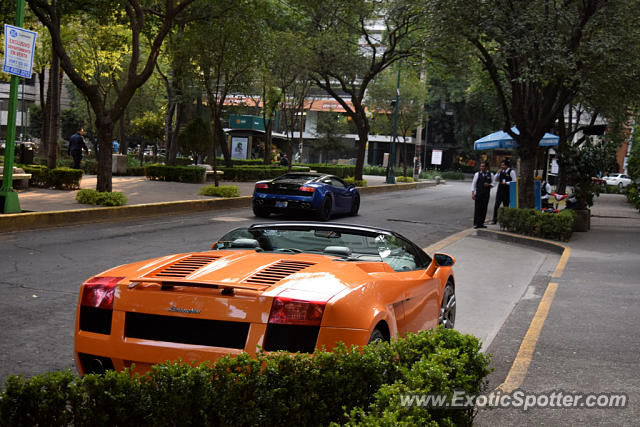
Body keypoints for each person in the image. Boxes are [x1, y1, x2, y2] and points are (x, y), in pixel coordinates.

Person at [471, 161, 493, 228]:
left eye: (483, 166)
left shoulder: (490, 174)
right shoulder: (477, 174)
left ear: (486, 167)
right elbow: (473, 184)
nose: (481, 167)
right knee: (478, 208)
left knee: (484, 208)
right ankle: (476, 223)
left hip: (486, 194)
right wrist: (473, 193)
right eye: (481, 166)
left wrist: (489, 185)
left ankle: (481, 223)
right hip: (479, 193)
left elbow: (494, 183)